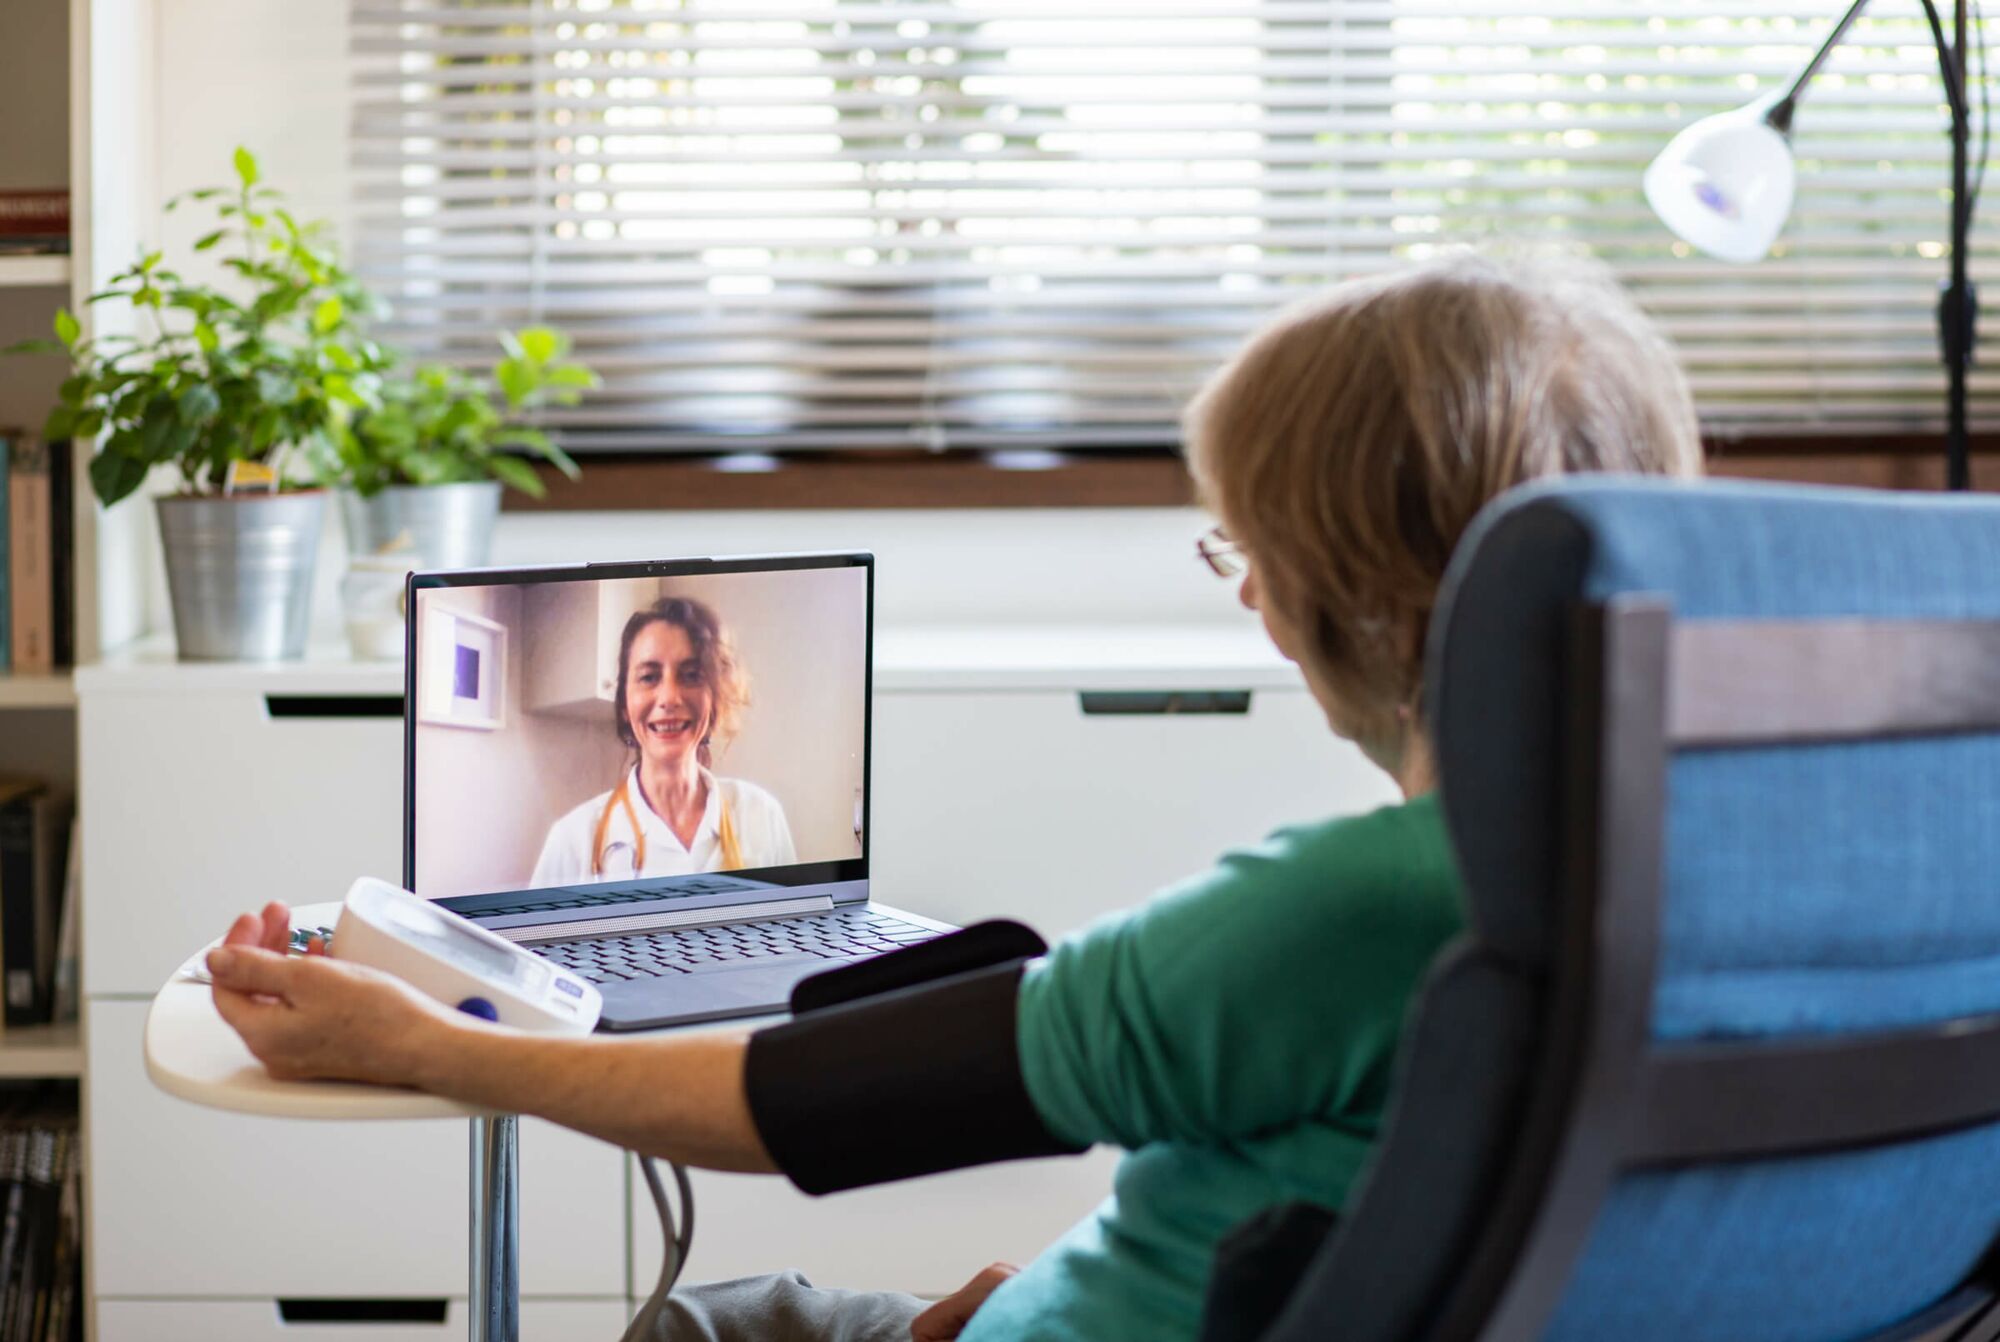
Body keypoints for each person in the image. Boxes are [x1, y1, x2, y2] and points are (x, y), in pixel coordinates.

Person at [205, 252, 1703, 1342]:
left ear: (1355, 589)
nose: (1249, 596)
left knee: (696, 1330)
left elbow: (778, 1106)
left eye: (1248, 549)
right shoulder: (1724, 878)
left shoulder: (1352, 905)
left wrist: (422, 1046)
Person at [530, 596, 797, 885]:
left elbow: (795, 921)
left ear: (715, 697)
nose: (670, 697)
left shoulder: (761, 815)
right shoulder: (572, 841)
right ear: (623, 703)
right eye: (649, 677)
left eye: (691, 675)